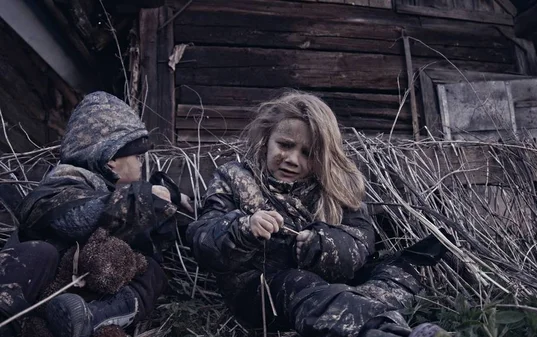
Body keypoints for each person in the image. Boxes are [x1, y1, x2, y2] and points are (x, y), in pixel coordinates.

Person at [186, 91, 450, 337]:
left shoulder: (336, 184)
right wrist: (243, 229)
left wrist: (320, 245)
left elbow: (360, 242)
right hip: (260, 292)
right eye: (285, 145)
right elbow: (202, 239)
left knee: (402, 269)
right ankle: (385, 331)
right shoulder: (233, 177)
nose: (291, 159)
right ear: (266, 140)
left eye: (307, 153)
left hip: (328, 281)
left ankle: (354, 303)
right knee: (300, 284)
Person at [11, 91, 192, 337]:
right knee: (38, 252)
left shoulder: (111, 190)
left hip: (79, 299)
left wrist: (170, 197)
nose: (142, 164)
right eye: (137, 157)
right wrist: (141, 197)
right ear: (110, 162)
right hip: (40, 293)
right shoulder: (64, 182)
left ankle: (91, 318)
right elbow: (74, 219)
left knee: (151, 272)